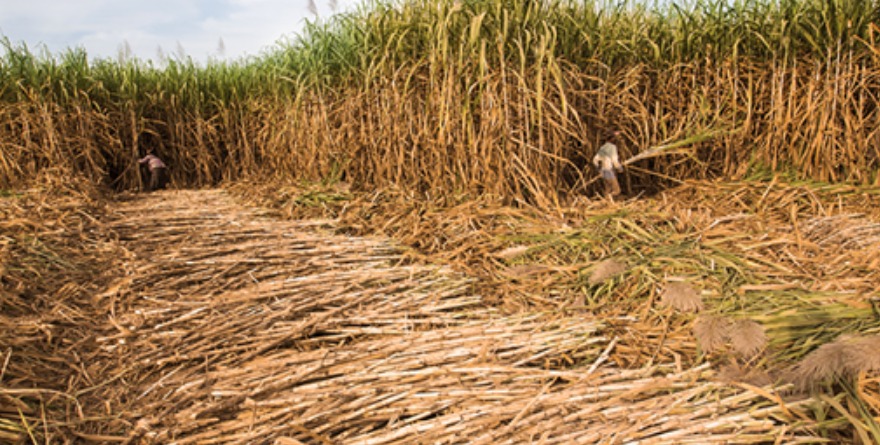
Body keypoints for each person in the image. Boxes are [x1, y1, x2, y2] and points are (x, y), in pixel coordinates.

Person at [593, 130, 624, 198]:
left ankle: (607, 203)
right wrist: (619, 168)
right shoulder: (612, 147)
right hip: (609, 171)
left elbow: (595, 160)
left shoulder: (602, 148)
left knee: (608, 190)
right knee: (617, 190)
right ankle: (609, 199)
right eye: (614, 138)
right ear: (612, 139)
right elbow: (614, 160)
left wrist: (599, 169)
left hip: (603, 172)